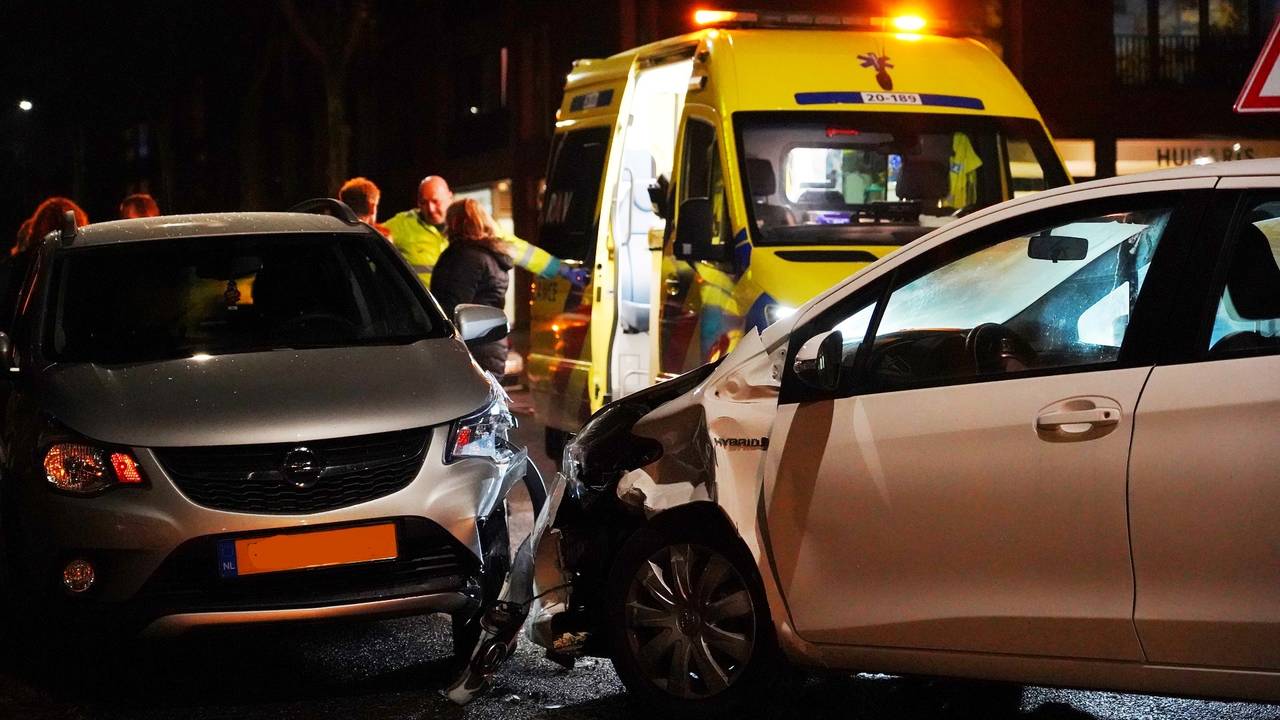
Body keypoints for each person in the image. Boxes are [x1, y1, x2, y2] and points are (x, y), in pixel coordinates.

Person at [384, 175, 586, 288]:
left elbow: (520, 250)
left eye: (435, 201)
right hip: (425, 321)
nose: (430, 209)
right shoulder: (402, 224)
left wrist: (561, 269)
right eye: (423, 203)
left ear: (449, 197)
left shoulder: (471, 227)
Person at [430, 198, 512, 376]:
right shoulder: (490, 255)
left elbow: (451, 307)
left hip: (472, 350)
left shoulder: (465, 257)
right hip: (491, 344)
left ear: (454, 223)